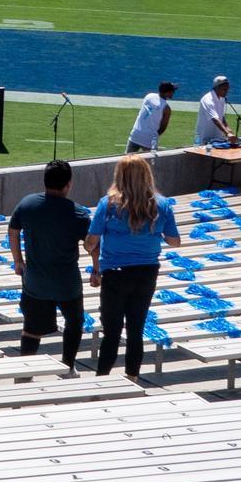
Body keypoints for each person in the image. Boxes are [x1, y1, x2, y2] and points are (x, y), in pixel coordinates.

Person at [85, 155, 181, 379]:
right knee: (136, 329)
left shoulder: (107, 204)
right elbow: (175, 241)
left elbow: (92, 241)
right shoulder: (162, 204)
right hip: (147, 271)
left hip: (116, 272)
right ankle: (132, 377)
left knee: (112, 331)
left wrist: (91, 254)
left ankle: (102, 378)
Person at [5, 160, 88, 369]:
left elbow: (13, 231)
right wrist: (96, 269)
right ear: (68, 184)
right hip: (67, 284)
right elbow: (92, 245)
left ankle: (24, 373)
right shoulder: (78, 213)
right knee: (75, 323)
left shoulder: (27, 204)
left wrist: (18, 260)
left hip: (36, 282)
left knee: (32, 328)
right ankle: (68, 367)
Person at [126, 82, 174, 153]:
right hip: (149, 139)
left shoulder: (149, 96)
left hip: (135, 134)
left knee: (126, 160)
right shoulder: (166, 109)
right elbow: (162, 128)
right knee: (151, 163)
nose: (173, 92)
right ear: (167, 92)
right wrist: (153, 136)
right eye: (172, 91)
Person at [195, 76, 235, 146]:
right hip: (204, 137)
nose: (227, 92)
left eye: (227, 89)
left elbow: (221, 116)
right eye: (225, 89)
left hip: (217, 137)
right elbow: (215, 119)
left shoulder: (222, 98)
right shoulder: (208, 100)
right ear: (217, 88)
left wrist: (228, 128)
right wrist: (227, 133)